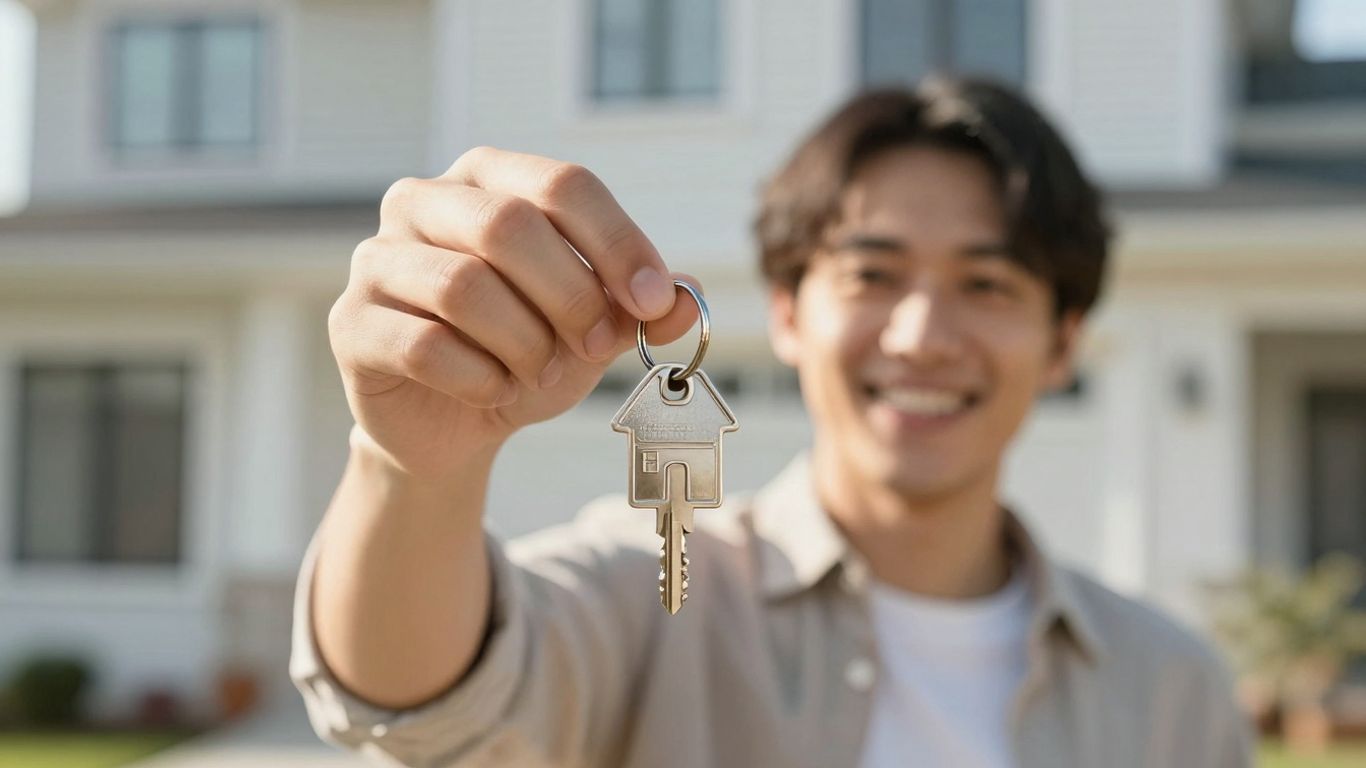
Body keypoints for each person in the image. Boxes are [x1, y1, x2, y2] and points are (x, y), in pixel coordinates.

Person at [291, 79, 1253, 767]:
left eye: (987, 283)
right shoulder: (650, 597)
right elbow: (421, 706)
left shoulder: (1175, 692)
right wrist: (408, 468)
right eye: (872, 274)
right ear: (789, 314)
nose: (920, 335)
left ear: (1061, 343)